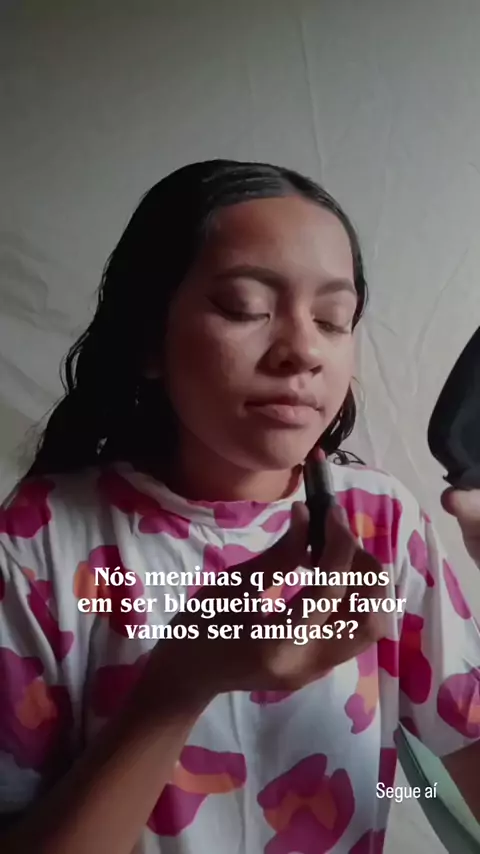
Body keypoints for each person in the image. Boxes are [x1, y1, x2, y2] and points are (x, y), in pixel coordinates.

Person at [0, 159, 479, 854]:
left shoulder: (377, 521)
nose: (302, 351)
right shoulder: (36, 542)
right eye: (244, 307)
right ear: (148, 338)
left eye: (333, 320)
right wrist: (177, 686)